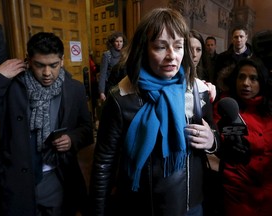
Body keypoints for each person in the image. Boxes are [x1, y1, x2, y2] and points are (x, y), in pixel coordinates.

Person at [90, 8, 219, 216]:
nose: (172, 56)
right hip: (141, 206)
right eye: (161, 47)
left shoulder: (198, 91)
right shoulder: (121, 98)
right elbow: (104, 163)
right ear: (144, 48)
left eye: (178, 47)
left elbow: (214, 138)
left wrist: (211, 141)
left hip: (191, 206)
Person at [0, 32, 94, 216]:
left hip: (59, 178)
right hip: (18, 182)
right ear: (28, 61)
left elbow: (86, 129)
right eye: (39, 65)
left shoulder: (74, 89)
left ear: (63, 60)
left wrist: (71, 139)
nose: (47, 73)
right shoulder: (13, 87)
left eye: (53, 65)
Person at [214, 57, 272, 216]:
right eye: (241, 77)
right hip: (237, 192)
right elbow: (219, 138)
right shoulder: (226, 107)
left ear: (262, 82)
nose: (246, 83)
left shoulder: (269, 109)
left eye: (253, 78)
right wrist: (227, 146)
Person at [98, 31, 127, 102]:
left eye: (121, 41)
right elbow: (102, 75)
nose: (119, 44)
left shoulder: (125, 54)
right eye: (117, 41)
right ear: (113, 42)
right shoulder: (107, 55)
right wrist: (101, 92)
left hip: (124, 87)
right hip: (112, 87)